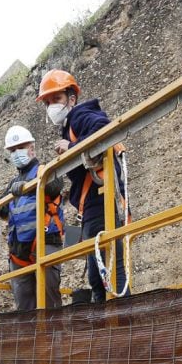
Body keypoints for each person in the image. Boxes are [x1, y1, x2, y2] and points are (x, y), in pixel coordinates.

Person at [38, 69, 130, 303]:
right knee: (98, 276)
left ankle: (124, 330)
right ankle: (107, 330)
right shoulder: (70, 124)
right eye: (48, 102)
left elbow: (103, 130)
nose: (52, 106)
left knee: (110, 271)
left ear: (72, 98)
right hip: (92, 206)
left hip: (101, 201)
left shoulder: (80, 115)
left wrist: (72, 147)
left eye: (56, 99)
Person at [0, 125, 66, 310]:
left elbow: (54, 187)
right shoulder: (12, 184)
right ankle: (31, 339)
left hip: (45, 242)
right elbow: (6, 210)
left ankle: (55, 338)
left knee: (49, 303)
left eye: (20, 148)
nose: (16, 153)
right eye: (12, 150)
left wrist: (29, 185)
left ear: (32, 148)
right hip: (19, 252)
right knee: (24, 308)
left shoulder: (45, 170)